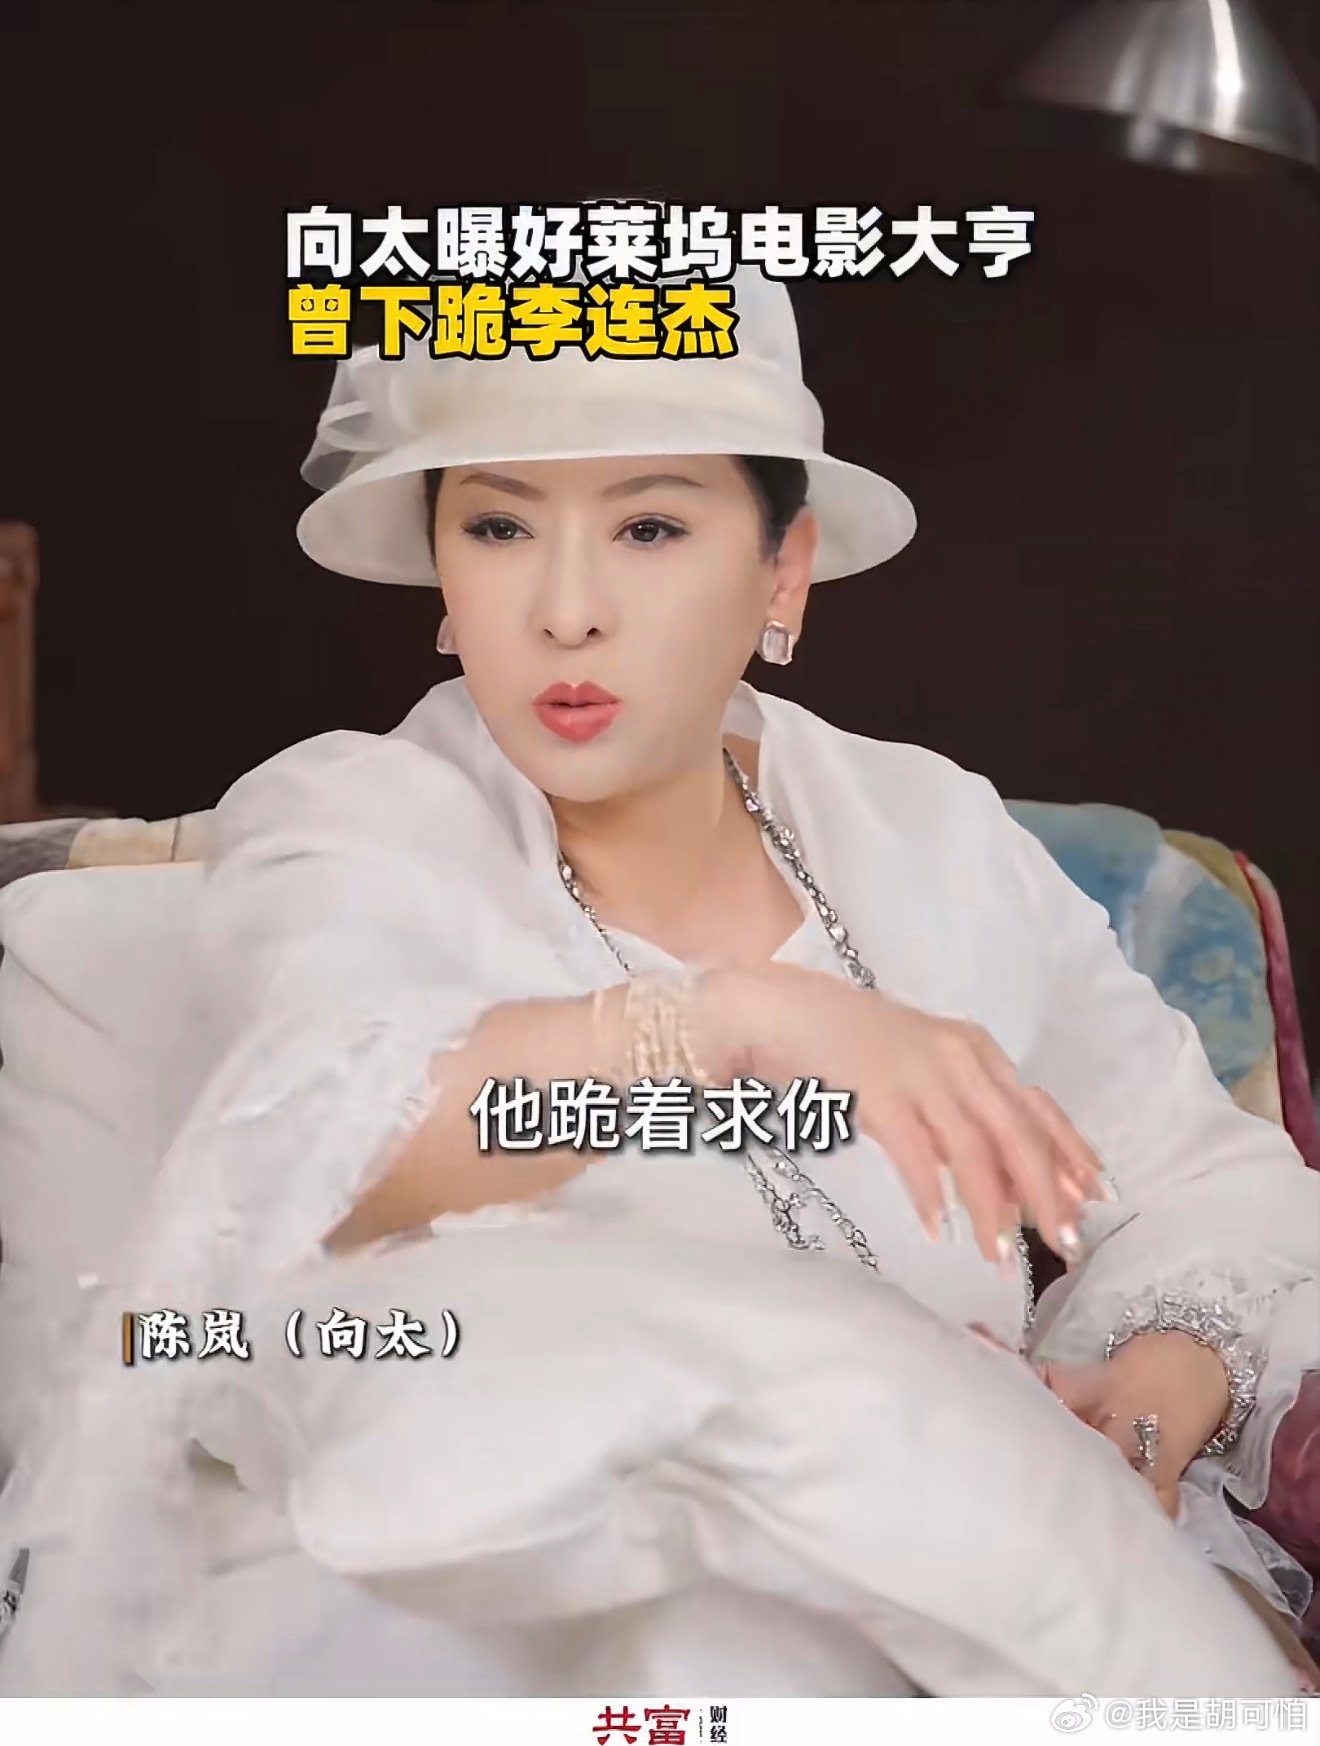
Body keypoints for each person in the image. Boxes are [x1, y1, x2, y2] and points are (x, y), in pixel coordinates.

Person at [0, 267, 1316, 1699]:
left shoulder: (926, 831)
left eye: (649, 527)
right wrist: (728, 1020)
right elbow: (334, 1130)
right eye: (499, 525)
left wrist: (1160, 1380)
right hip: (530, 1616)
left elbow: (1204, 1175)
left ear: (783, 568)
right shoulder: (348, 823)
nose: (566, 612)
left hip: (964, 1582)